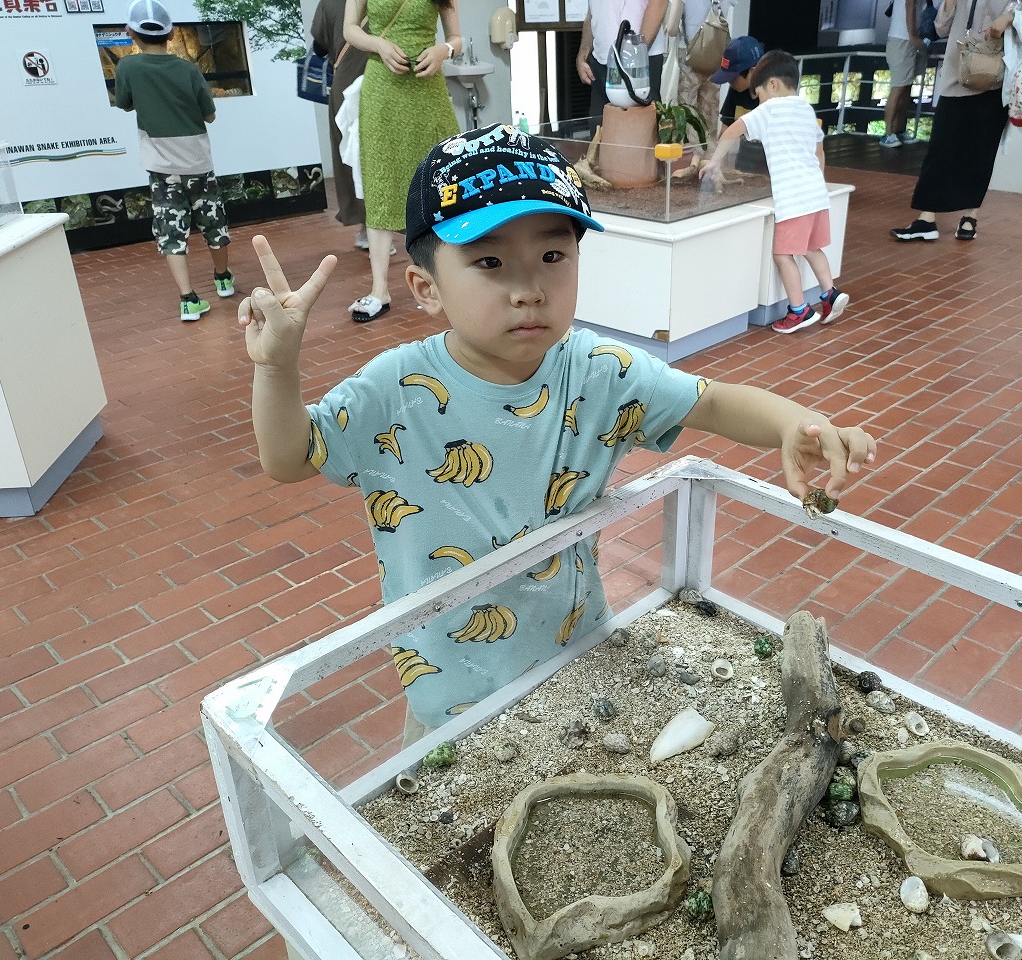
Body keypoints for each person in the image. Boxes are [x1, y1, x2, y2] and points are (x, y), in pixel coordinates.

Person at [238, 123, 877, 740]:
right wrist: (276, 368)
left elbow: (710, 403)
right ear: (425, 288)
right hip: (448, 699)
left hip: (578, 661)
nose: (529, 289)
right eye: (489, 261)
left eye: (552, 255)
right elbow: (290, 457)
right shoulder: (393, 388)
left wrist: (795, 422)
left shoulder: (602, 371)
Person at [702, 51, 851, 334]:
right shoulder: (807, 110)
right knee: (811, 247)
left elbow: (731, 132)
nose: (758, 101)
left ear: (772, 85)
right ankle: (830, 294)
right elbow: (819, 152)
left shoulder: (769, 110)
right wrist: (816, 180)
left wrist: (714, 162)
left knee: (783, 254)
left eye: (758, 94)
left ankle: (798, 311)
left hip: (793, 198)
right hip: (816, 194)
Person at [341, 0, 462, 322]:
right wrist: (378, 43)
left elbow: (456, 38)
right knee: (381, 182)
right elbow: (350, 29)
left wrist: (443, 51)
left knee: (441, 181)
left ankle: (446, 280)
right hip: (382, 87)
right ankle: (380, 289)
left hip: (427, 88)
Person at [889, 0, 1022, 242]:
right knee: (940, 148)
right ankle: (926, 219)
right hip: (957, 74)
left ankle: (970, 217)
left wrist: (1011, 18)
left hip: (998, 78)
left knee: (981, 151)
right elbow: (940, 28)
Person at [114, 0, 233, 322]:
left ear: (130, 33)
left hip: (161, 167)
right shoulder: (188, 69)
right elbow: (210, 114)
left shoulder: (127, 68)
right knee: (213, 221)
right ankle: (222, 279)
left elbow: (124, 104)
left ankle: (188, 299)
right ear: (171, 34)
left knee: (171, 229)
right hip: (197, 162)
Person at [310, 0, 371, 248]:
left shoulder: (329, 3)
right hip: (385, 79)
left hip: (346, 81)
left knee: (350, 154)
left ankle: (367, 228)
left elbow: (319, 48)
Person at [575, 0, 669, 128]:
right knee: (599, 131)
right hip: (601, 59)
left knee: (637, 133)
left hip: (637, 61)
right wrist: (583, 52)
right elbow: (593, 11)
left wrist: (637, 53)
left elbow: (659, 3)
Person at [665, 0, 737, 147]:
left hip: (690, 55)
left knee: (687, 113)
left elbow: (672, 29)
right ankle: (707, 159)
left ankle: (688, 159)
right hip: (715, 54)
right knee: (710, 114)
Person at [880, 0, 925, 148]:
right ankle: (888, 134)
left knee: (905, 87)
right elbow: (909, 4)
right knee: (899, 87)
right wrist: (913, 35)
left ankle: (898, 131)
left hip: (905, 40)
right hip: (902, 39)